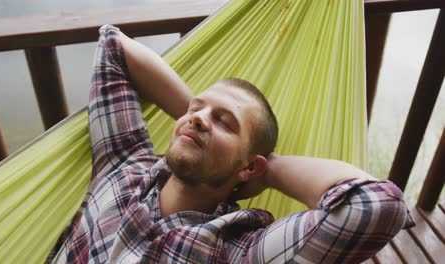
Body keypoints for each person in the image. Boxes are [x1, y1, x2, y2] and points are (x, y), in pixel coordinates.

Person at [53, 25, 414, 263]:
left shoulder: (239, 251)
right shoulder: (123, 162)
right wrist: (200, 124)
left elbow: (377, 207)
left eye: (226, 121)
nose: (198, 116)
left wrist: (270, 170)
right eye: (196, 108)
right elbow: (113, 46)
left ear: (250, 167)